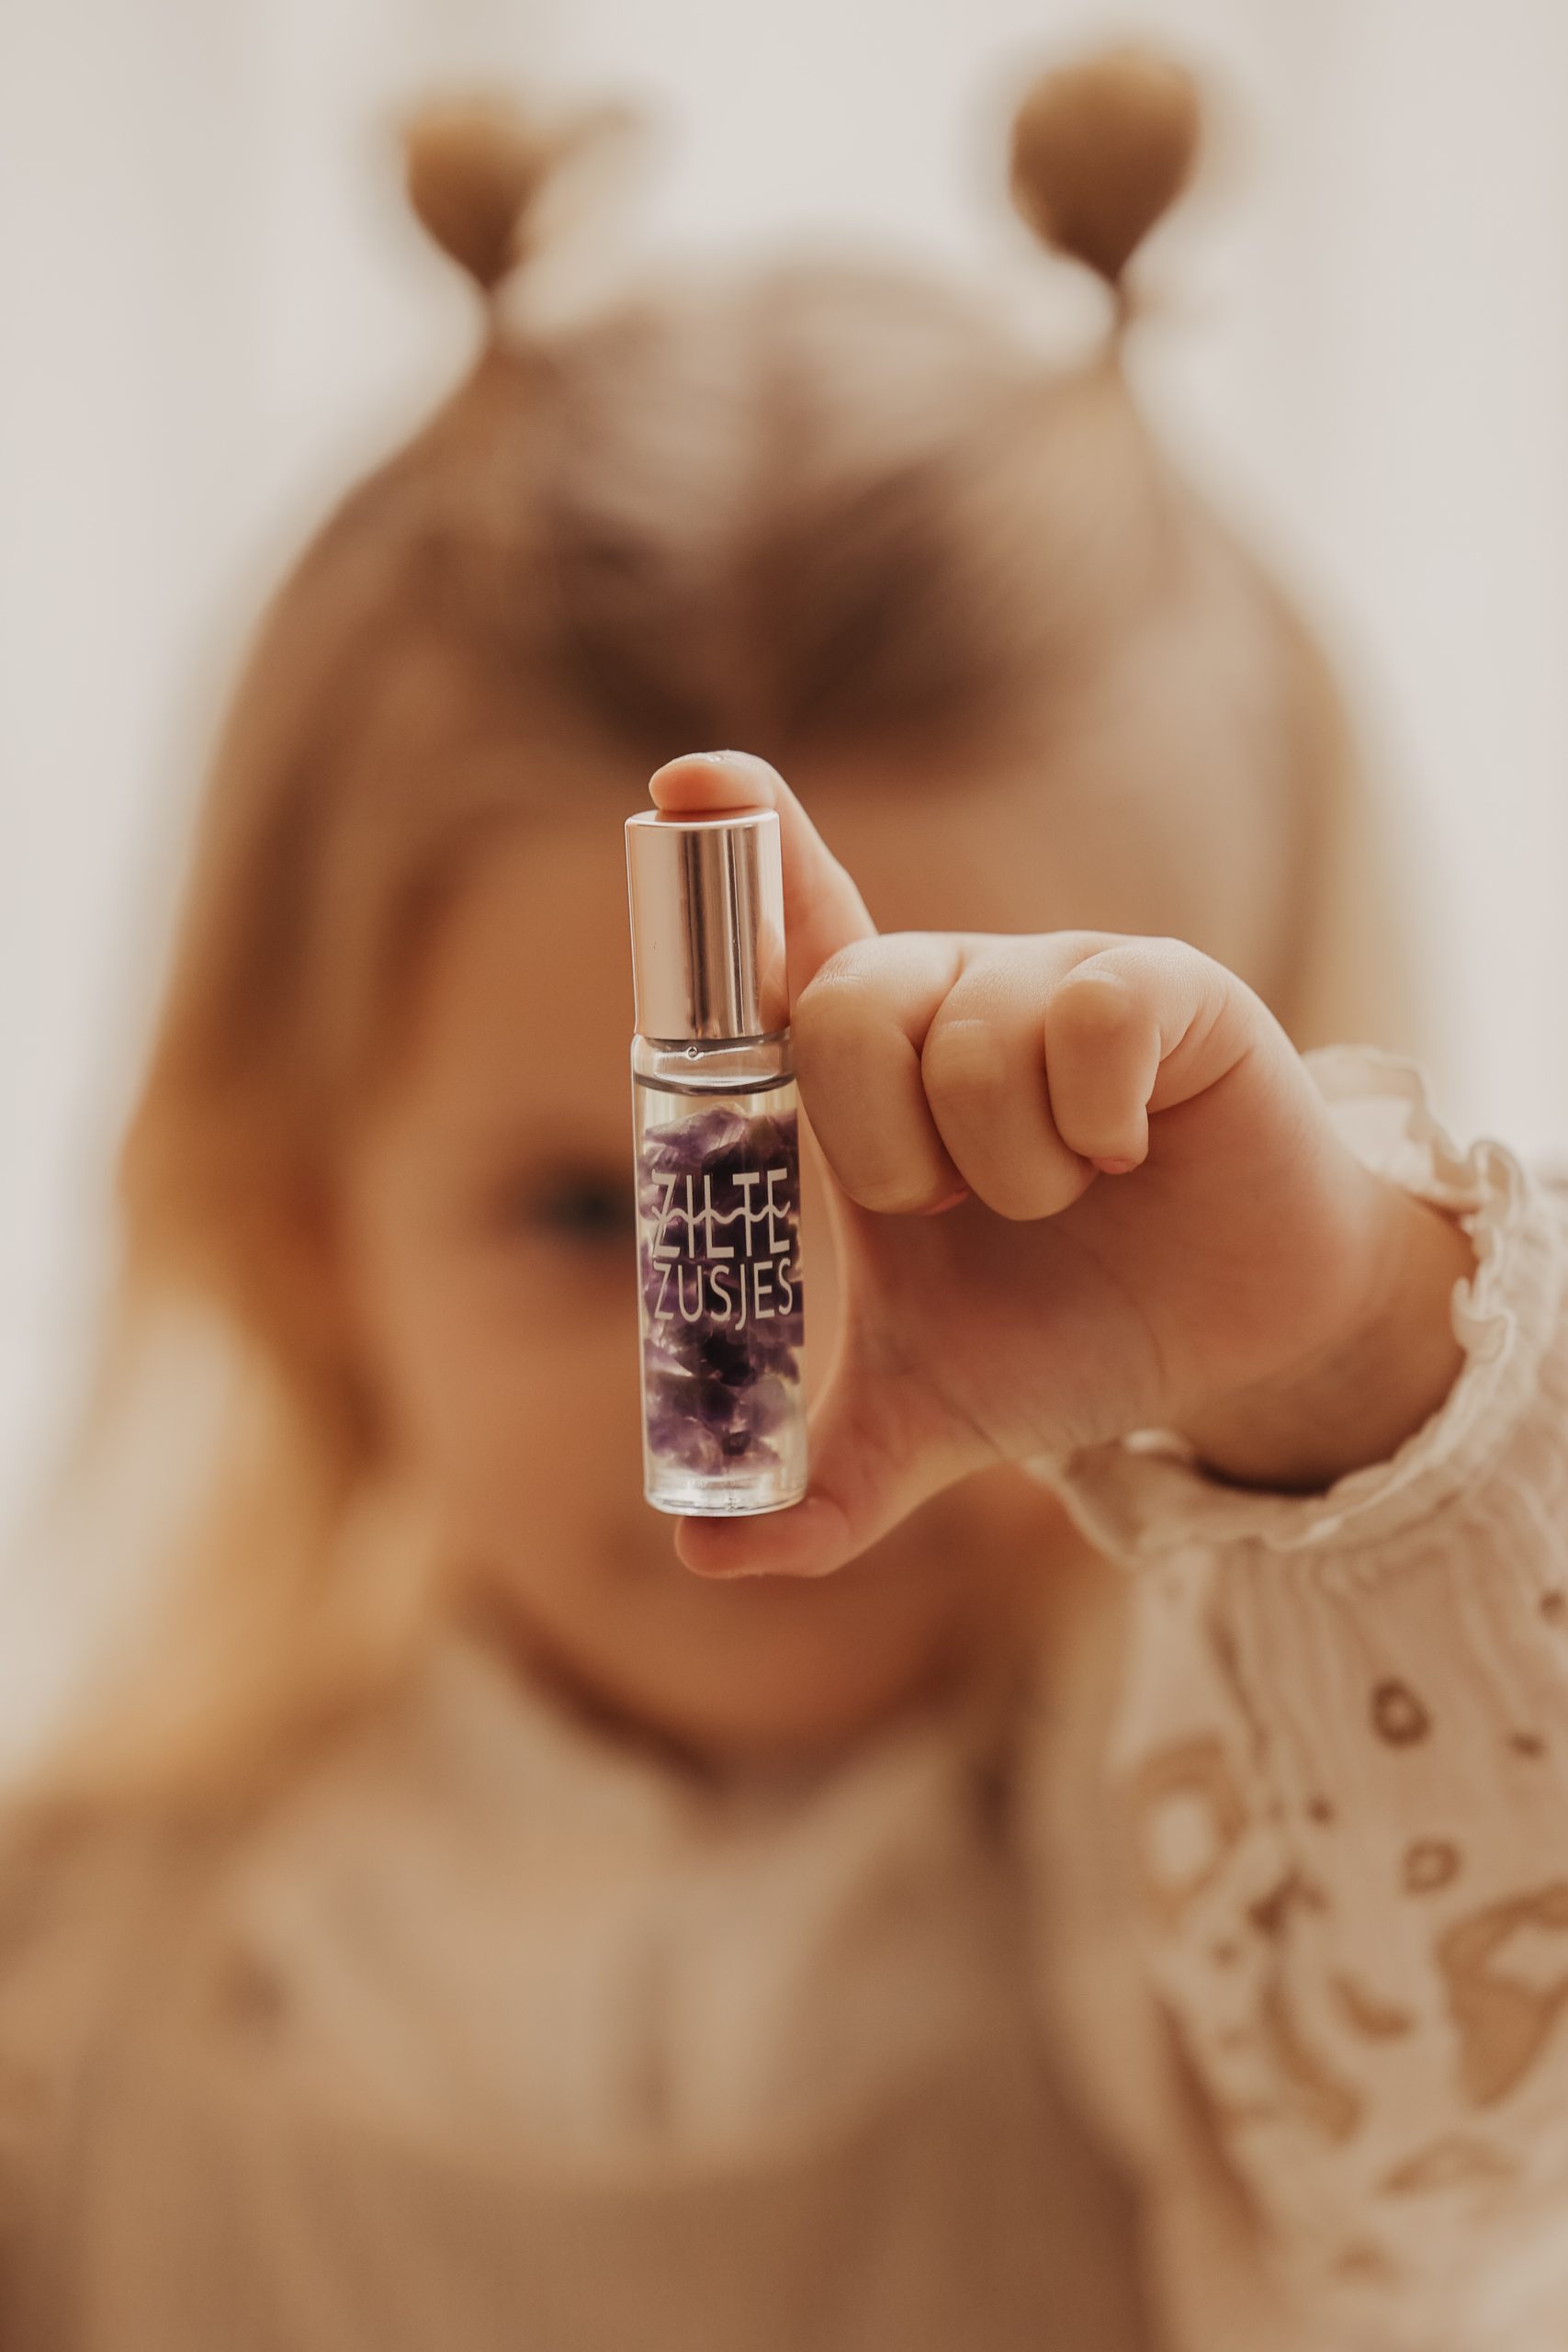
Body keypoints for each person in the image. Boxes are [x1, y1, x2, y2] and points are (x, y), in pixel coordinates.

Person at [2, 44, 1542, 2352]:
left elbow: (1499, 2095)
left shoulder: (1231, 1944)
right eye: (590, 1212)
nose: (783, 1358)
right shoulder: (64, 1998)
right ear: (303, 1216)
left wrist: (1333, 1349)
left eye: (998, 1203)